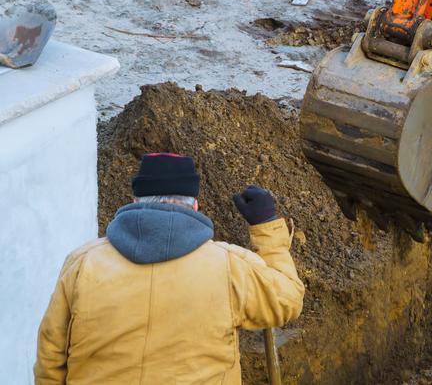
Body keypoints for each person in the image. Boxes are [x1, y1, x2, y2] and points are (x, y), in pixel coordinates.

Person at [33, 153, 304, 384]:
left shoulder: (82, 263)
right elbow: (287, 299)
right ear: (194, 205)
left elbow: (50, 356)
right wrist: (266, 225)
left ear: (137, 201)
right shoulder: (229, 265)